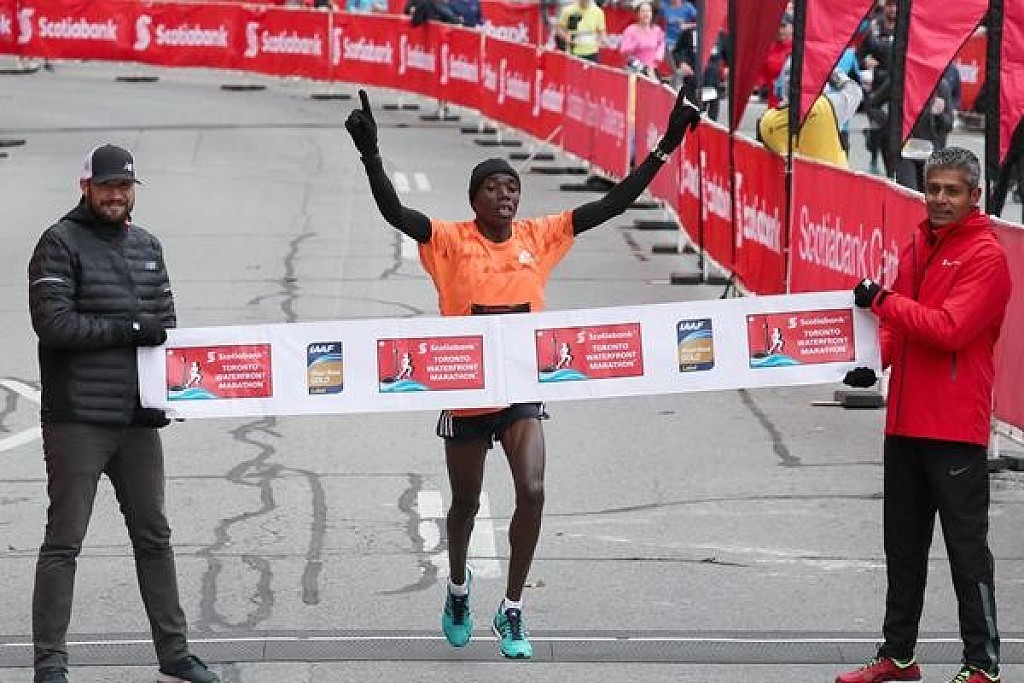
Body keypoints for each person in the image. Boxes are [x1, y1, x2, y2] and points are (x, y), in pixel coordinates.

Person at [345, 88, 699, 659]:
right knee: (465, 504)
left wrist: (667, 144)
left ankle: (511, 608)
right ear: (474, 199)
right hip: (467, 387)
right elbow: (395, 213)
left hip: (520, 390)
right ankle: (458, 589)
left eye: (512, 187)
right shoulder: (449, 240)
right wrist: (371, 155)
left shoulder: (540, 236)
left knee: (532, 491)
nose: (505, 194)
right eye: (493, 187)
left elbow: (614, 204)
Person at [27, 144, 219, 683]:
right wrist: (129, 329)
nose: (116, 195)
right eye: (107, 186)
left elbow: (166, 330)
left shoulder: (148, 246)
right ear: (85, 187)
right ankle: (49, 665)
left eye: (124, 187)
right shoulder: (58, 242)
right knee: (64, 541)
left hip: (137, 420)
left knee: (155, 537)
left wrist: (168, 396)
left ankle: (175, 655)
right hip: (78, 419)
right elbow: (54, 325)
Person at [837, 147, 1011, 683]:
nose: (939, 199)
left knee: (966, 551)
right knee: (903, 549)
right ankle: (898, 656)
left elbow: (948, 329)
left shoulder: (987, 256)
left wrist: (883, 300)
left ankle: (982, 665)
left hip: (954, 427)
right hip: (905, 421)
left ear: (974, 196)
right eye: (933, 188)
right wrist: (875, 362)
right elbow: (898, 325)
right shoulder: (917, 243)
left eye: (951, 191)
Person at [757, 66, 863, 167]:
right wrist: (830, 71)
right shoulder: (827, 105)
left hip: (793, 178)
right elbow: (855, 92)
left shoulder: (767, 121)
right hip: (832, 177)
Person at [619, 1, 665, 80]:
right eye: (643, 11)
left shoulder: (657, 30)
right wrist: (636, 44)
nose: (646, 14)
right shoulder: (631, 30)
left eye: (648, 11)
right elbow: (624, 51)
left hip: (652, 68)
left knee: (658, 83)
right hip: (634, 67)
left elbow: (661, 46)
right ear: (638, 14)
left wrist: (656, 60)